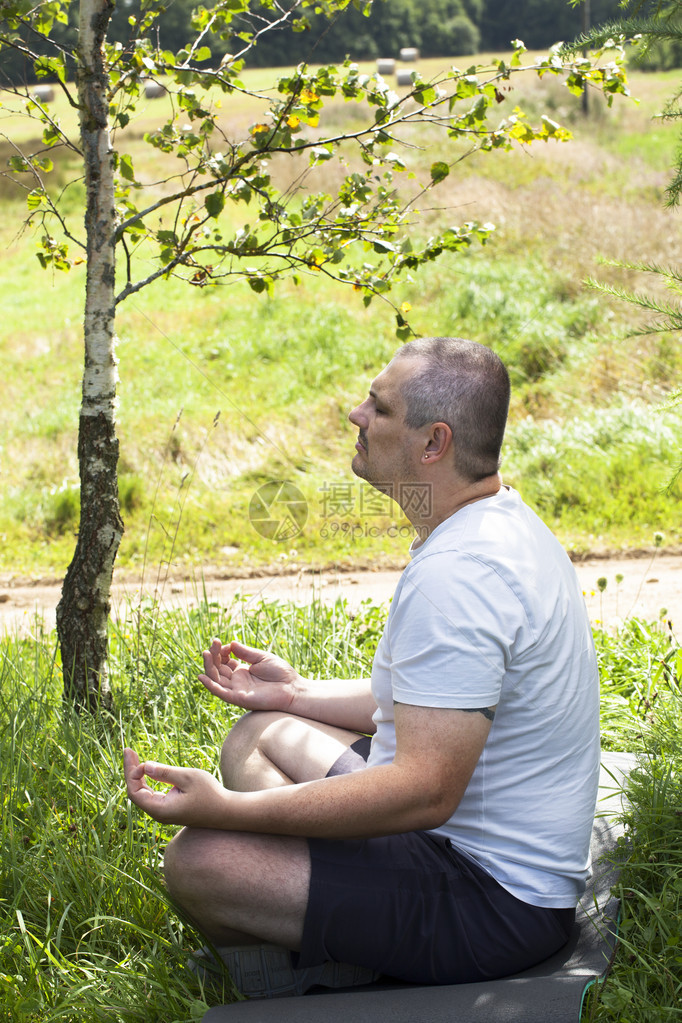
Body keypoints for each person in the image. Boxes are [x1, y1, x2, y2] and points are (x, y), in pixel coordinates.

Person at [124, 336, 600, 999]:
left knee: (201, 860)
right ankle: (333, 925)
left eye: (377, 407)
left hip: (494, 905)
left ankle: (322, 970)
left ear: (432, 443)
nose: (355, 414)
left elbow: (425, 790)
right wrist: (295, 694)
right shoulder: (493, 523)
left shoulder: (461, 576)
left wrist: (230, 810)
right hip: (453, 845)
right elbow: (425, 703)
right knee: (259, 734)